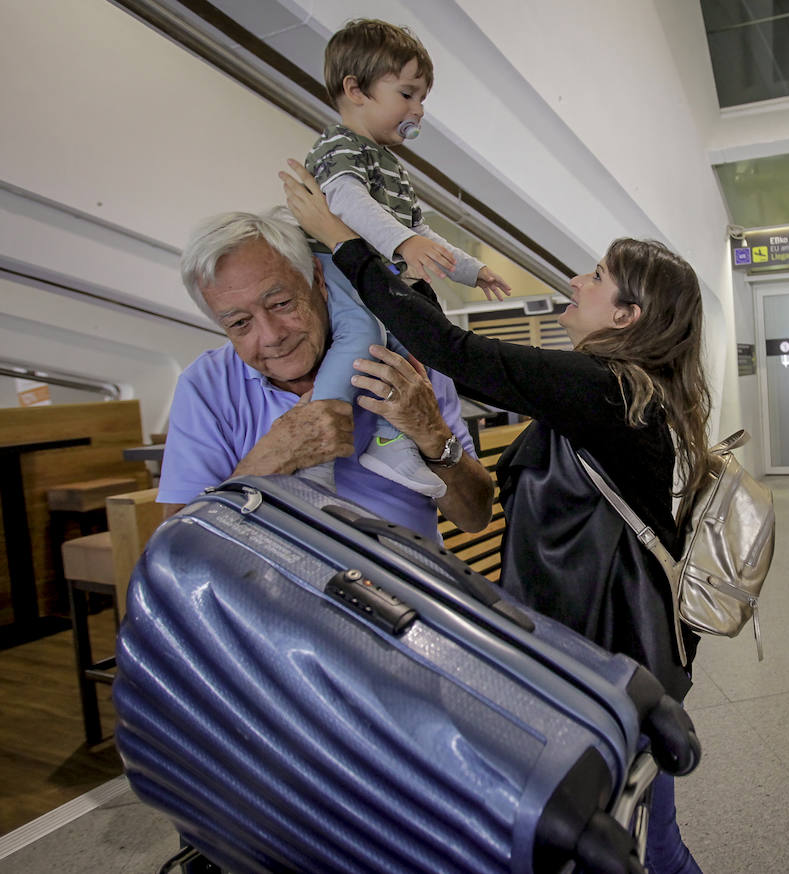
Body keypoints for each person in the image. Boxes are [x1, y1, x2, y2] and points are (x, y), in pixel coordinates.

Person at [282, 161, 708, 873]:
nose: (577, 281)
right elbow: (459, 348)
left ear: (628, 317)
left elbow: (460, 355)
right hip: (631, 653)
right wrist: (409, 275)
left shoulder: (604, 389)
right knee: (651, 824)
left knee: (629, 831)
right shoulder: (637, 393)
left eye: (596, 278)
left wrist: (343, 238)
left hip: (600, 658)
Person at [158, 209, 494, 544]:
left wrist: (431, 430)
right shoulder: (206, 386)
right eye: (240, 324)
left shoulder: (406, 358)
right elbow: (182, 547)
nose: (272, 335)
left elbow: (475, 517)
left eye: (280, 304)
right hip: (280, 590)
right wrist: (275, 458)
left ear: (318, 279)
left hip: (404, 583)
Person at [300, 18, 513, 496]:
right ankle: (316, 450)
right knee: (359, 347)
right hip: (337, 271)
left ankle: (392, 442)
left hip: (372, 277)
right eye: (407, 94)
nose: (418, 110)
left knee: (408, 362)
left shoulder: (388, 163)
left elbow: (421, 232)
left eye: (422, 99)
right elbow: (348, 204)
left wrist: (469, 269)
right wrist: (402, 245)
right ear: (356, 89)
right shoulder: (339, 145)